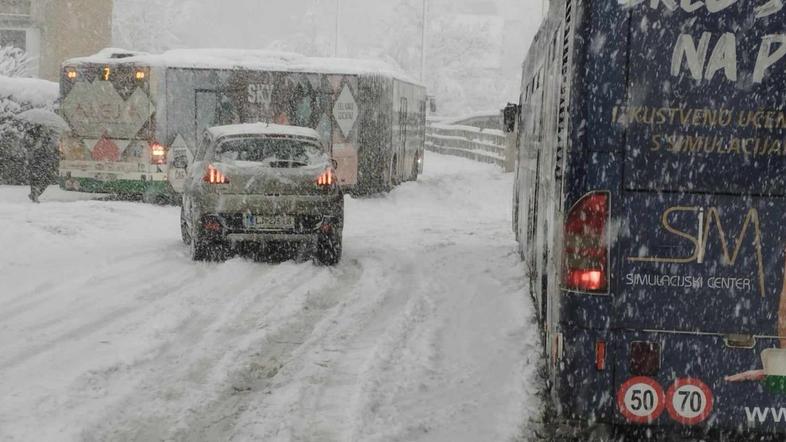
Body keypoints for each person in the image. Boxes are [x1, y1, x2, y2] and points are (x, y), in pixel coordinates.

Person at [26, 122, 58, 203]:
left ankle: (35, 194)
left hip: (42, 159)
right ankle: (35, 195)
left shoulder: (46, 135)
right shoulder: (32, 133)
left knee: (41, 178)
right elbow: (29, 145)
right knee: (37, 178)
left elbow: (51, 147)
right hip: (38, 159)